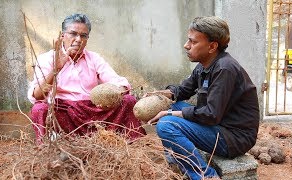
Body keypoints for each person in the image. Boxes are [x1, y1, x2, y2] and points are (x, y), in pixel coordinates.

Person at [146, 16, 260, 179]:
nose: (186, 46)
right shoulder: (204, 66)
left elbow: (211, 114)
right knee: (169, 106)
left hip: (233, 137)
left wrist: (171, 115)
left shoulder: (225, 69)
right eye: (188, 40)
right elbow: (182, 91)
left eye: (193, 42)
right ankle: (178, 159)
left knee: (166, 125)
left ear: (212, 46)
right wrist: (160, 96)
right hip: (218, 125)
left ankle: (205, 175)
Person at [28, 13, 146, 143]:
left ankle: (123, 144)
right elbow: (38, 96)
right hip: (63, 112)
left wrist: (111, 95)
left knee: (128, 100)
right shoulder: (47, 59)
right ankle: (53, 147)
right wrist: (56, 69)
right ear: (62, 36)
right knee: (39, 109)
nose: (78, 39)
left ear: (87, 39)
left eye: (83, 35)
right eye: (73, 34)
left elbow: (118, 82)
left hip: (93, 112)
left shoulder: (94, 58)